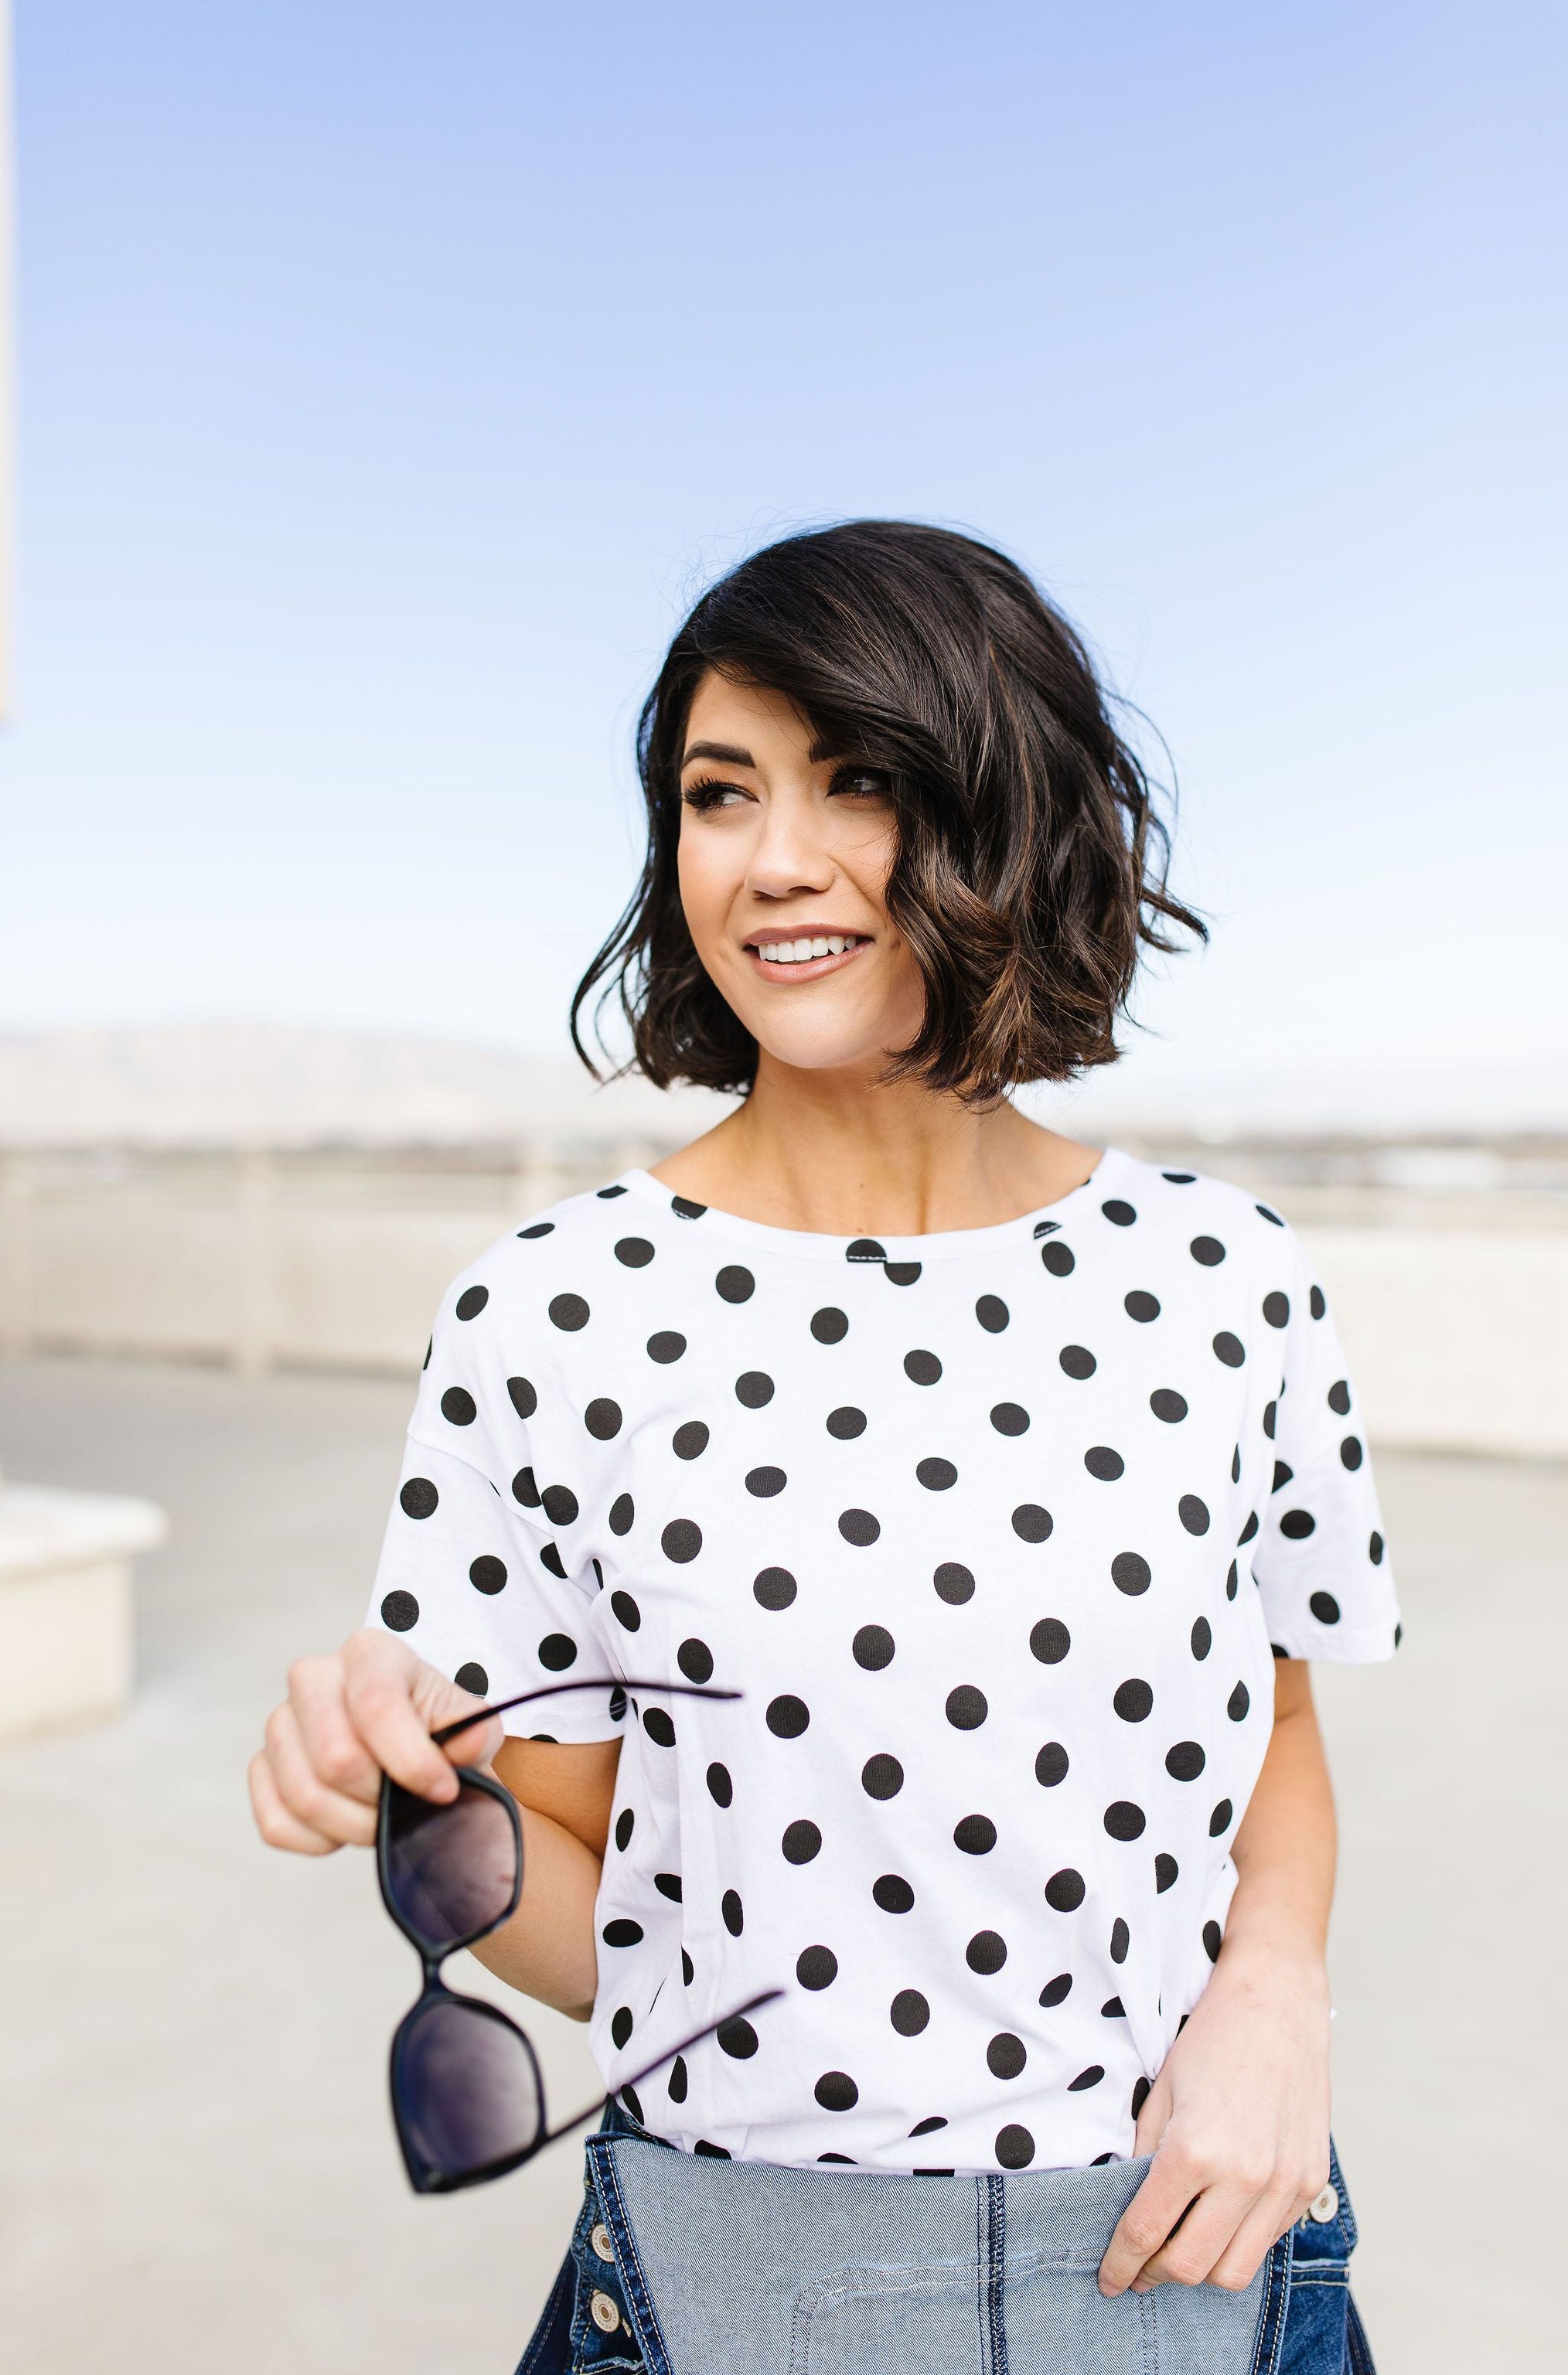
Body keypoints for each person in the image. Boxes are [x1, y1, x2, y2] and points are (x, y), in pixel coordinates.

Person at [250, 522, 1396, 2374]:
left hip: (1210, 2262)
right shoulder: (551, 1310)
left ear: (1003, 810)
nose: (774, 860)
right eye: (720, 794)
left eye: (855, 781)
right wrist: (396, 1791)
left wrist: (1278, 1995)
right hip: (729, 2292)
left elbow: (1270, 1729)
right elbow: (595, 1917)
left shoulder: (1224, 1276)